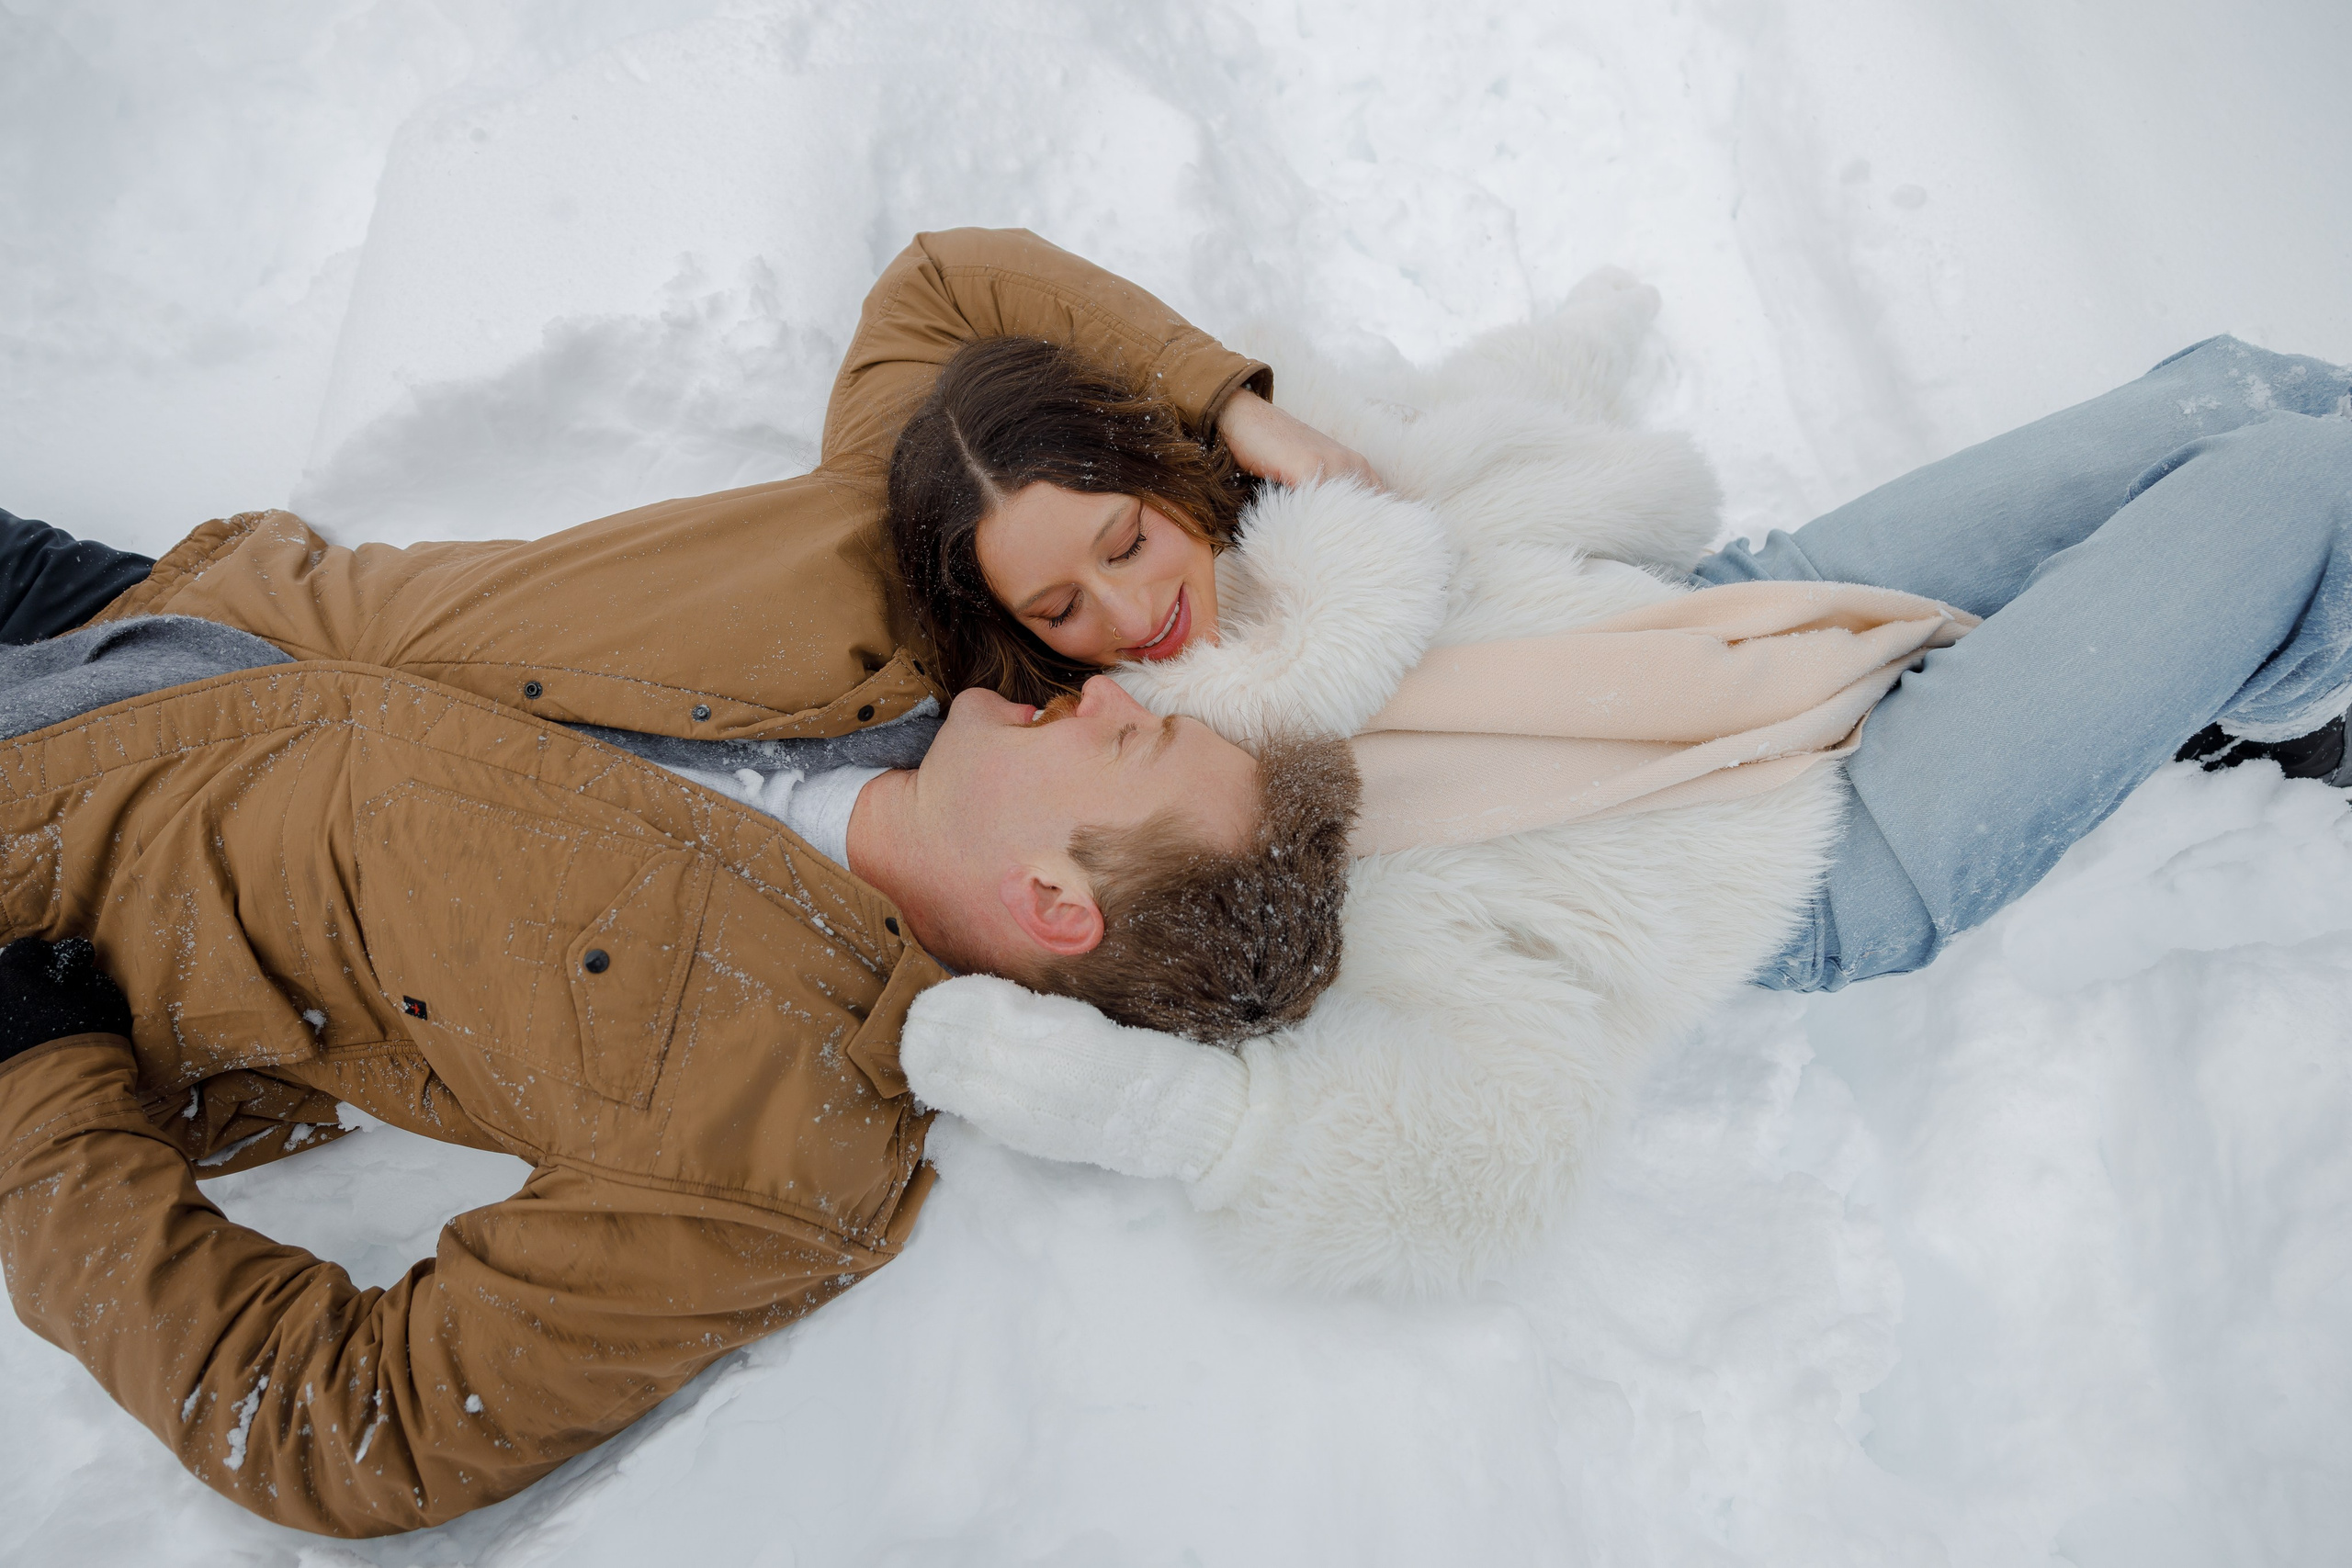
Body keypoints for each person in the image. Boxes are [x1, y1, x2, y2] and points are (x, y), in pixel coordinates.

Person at [0, 228, 1366, 1540]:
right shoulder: (925, 586)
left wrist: (36, 1096)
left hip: (47, 879)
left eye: (1142, 744)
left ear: (1060, 905)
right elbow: (943, 291)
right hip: (133, 610)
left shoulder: (782, 1142)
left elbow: (357, 1436)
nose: (1117, 693)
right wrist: (1242, 416)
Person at [878, 304, 2352, 1295]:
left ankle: (2269, 634)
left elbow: (939, 298)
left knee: (2231, 391)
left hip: (1723, 624)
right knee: (2296, 479)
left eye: (1128, 541)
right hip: (1835, 845)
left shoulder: (1283, 532)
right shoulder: (1167, 814)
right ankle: (2299, 684)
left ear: (1164, 476)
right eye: (1057, 609)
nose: (1127, 622)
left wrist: (1248, 418)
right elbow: (1455, 1161)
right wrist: (1160, 1115)